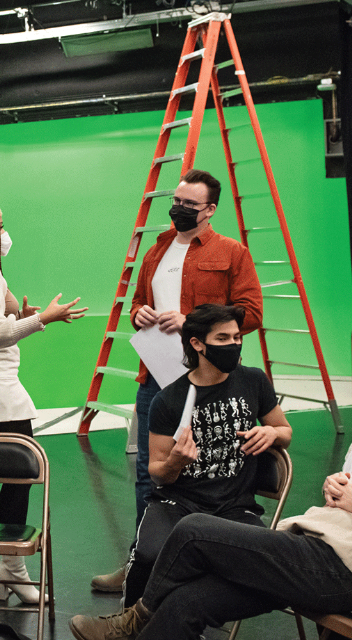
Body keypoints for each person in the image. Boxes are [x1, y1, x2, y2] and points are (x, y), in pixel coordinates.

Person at [71, 327, 352, 640]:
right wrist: (338, 489)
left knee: (194, 531)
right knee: (187, 603)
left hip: (348, 574)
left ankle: (131, 622)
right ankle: (139, 623)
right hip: (311, 546)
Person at [69, 304, 291, 639]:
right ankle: (129, 626)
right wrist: (176, 462)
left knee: (261, 564)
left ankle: (174, 624)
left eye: (237, 337)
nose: (234, 345)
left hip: (236, 507)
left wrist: (273, 433)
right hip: (179, 503)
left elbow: (284, 429)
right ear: (198, 344)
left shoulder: (254, 381)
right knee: (147, 553)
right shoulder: (169, 400)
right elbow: (157, 472)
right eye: (223, 338)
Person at [92, 169, 264, 593]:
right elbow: (137, 301)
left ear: (210, 210)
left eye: (190, 204)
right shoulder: (157, 249)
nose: (179, 209)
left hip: (208, 381)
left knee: (204, 472)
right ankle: (141, 563)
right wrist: (139, 314)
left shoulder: (232, 252)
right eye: (177, 200)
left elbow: (252, 312)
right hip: (156, 378)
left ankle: (193, 564)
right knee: (148, 474)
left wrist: (193, 320)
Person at [0, 197, 88, 604]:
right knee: (18, 476)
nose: (5, 232)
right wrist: (44, 317)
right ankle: (14, 567)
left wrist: (17, 318)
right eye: (0, 224)